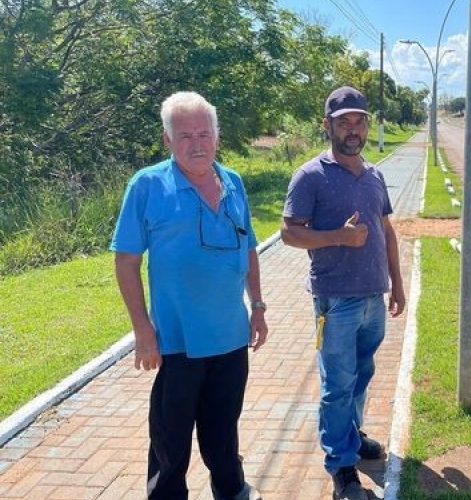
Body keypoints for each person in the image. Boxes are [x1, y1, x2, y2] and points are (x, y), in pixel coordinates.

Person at [110, 91, 268, 500]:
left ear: (217, 135)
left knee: (223, 434)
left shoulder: (232, 181)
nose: (196, 144)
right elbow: (126, 261)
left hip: (231, 338)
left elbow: (248, 246)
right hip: (177, 344)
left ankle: (232, 491)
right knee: (170, 445)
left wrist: (259, 306)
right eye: (184, 136)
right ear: (167, 140)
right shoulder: (147, 185)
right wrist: (142, 331)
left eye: (204, 133)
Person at [280, 86, 406, 500]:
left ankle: (351, 437)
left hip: (373, 295)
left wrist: (397, 285)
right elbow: (288, 233)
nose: (353, 129)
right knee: (337, 383)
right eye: (344, 122)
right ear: (328, 125)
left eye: (359, 121)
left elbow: (386, 230)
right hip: (335, 300)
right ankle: (341, 466)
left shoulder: (374, 174)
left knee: (362, 374)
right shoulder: (310, 175)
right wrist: (339, 237)